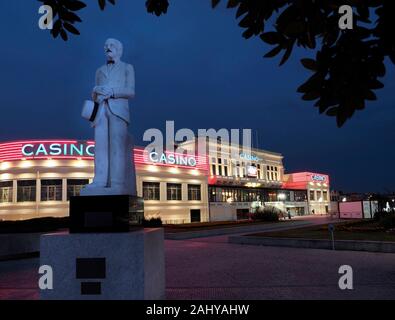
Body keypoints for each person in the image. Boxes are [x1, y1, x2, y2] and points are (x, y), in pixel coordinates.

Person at [81, 38, 136, 195]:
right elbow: (94, 94)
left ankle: (117, 183)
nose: (107, 48)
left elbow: (131, 91)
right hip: (100, 110)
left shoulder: (127, 67)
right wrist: (96, 90)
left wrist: (112, 92)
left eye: (111, 45)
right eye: (105, 46)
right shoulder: (99, 70)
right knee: (100, 147)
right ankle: (99, 180)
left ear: (119, 49)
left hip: (118, 110)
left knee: (116, 147)